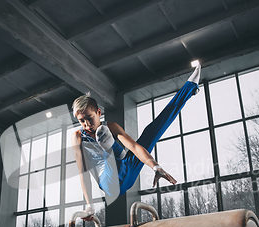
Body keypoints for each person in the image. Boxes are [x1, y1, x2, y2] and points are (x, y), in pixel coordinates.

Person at [71, 64, 201, 218]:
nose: (86, 124)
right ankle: (110, 147)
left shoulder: (111, 126)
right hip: (109, 183)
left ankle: (190, 88)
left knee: (151, 131)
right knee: (109, 157)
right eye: (81, 121)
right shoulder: (78, 136)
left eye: (89, 118)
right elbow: (83, 173)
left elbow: (134, 146)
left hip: (127, 169)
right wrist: (89, 205)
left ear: (99, 112)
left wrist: (155, 166)